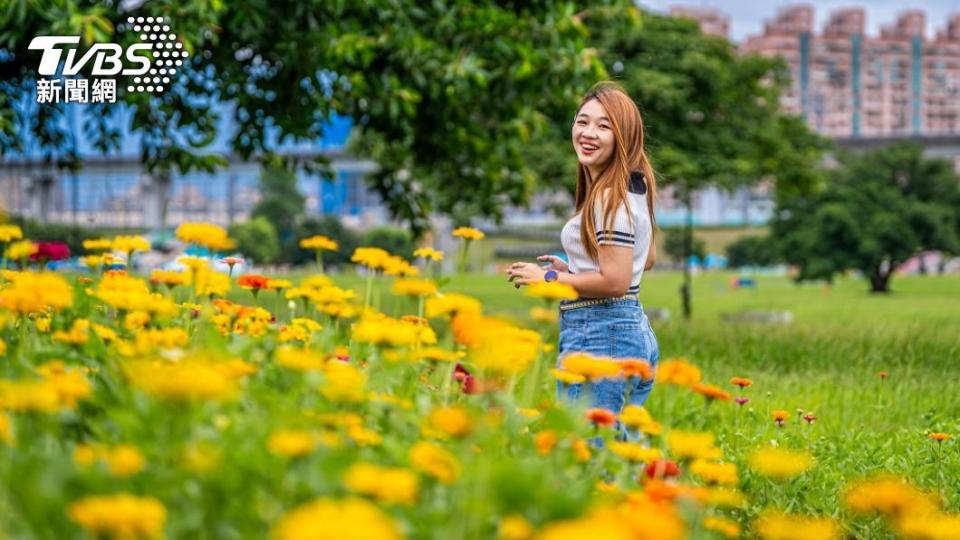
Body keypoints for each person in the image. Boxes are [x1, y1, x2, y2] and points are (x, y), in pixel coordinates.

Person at [506, 81, 660, 427]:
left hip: (601, 336)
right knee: (614, 450)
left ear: (624, 137)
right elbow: (644, 259)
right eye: (583, 121)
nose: (589, 133)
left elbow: (616, 280)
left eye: (604, 126)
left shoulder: (609, 198)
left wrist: (549, 278)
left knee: (585, 452)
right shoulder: (635, 185)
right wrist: (576, 267)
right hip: (629, 331)